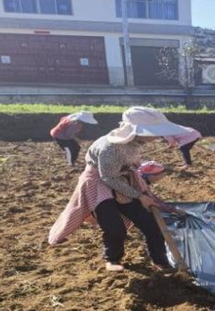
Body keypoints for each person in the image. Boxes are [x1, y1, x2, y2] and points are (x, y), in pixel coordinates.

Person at [48, 107, 188, 272]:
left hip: (121, 180)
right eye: (155, 132)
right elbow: (108, 178)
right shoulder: (111, 147)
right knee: (114, 227)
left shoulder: (135, 141)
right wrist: (139, 196)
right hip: (99, 183)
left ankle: (160, 260)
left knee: (149, 223)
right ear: (136, 131)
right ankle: (112, 259)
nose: (157, 136)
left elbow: (129, 164)